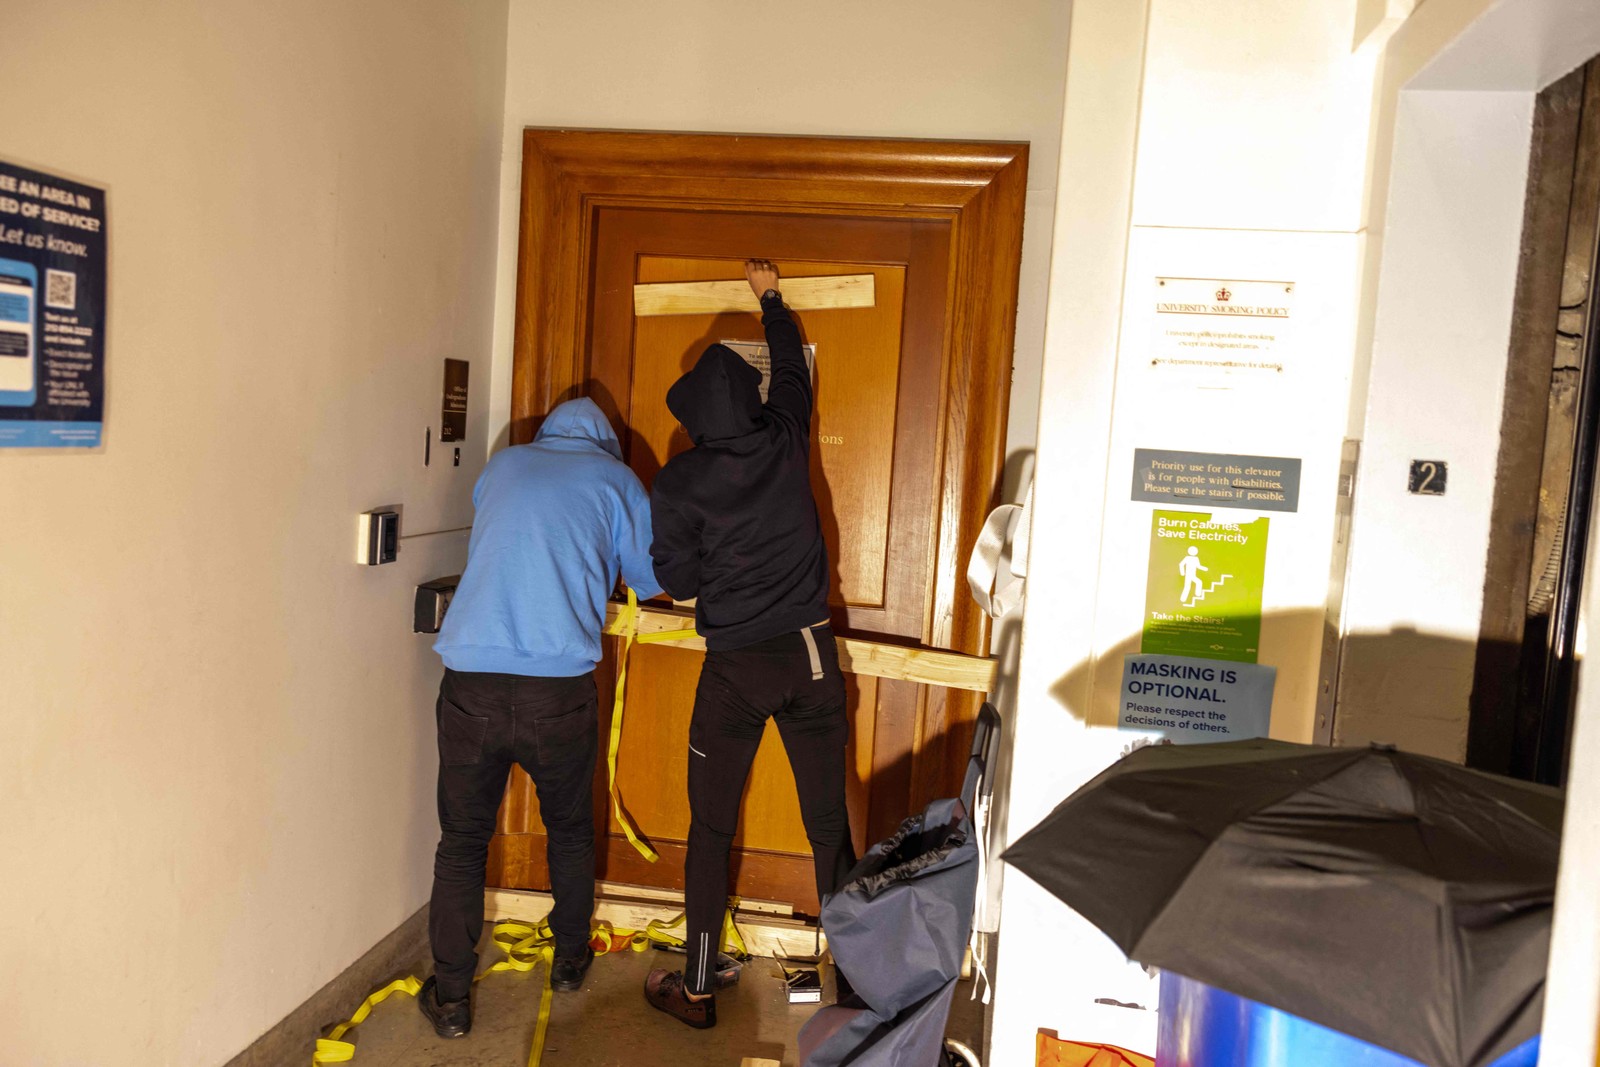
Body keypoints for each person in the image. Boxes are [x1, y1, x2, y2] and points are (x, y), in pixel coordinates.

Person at [643, 259, 855, 1029]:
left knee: (711, 826)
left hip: (735, 668)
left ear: (695, 415)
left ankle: (696, 988)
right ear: (755, 402)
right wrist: (768, 296)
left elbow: (679, 578)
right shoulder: (786, 435)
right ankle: (855, 987)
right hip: (807, 653)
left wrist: (711, 562)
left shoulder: (679, 480)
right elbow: (793, 365)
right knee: (827, 826)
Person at [421, 397, 661, 1039]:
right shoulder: (617, 480)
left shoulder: (503, 465)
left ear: (548, 433)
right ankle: (570, 962)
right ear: (606, 443)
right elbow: (652, 575)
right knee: (570, 830)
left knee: (462, 840)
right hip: (558, 690)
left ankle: (450, 999)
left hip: (472, 677)